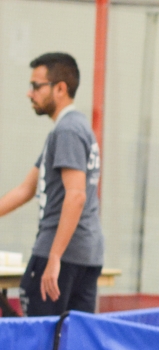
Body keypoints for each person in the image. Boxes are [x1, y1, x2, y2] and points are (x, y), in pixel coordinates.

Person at [0, 53, 103, 316]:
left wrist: (54, 257)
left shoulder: (67, 130)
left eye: (36, 86)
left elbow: (76, 195)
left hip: (60, 257)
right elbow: (26, 189)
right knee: (67, 346)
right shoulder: (73, 128)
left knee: (37, 344)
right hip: (86, 256)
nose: (29, 93)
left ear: (60, 89)